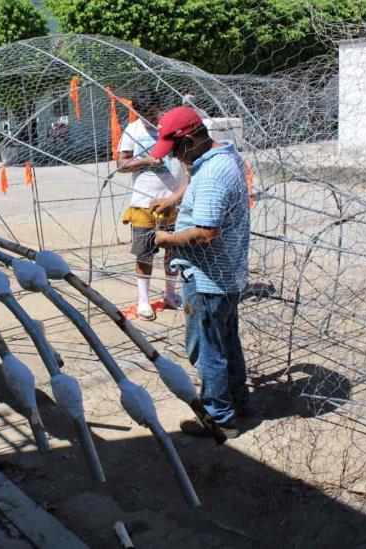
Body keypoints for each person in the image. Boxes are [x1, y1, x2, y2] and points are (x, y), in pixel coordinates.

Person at [149, 106, 252, 438]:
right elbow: (195, 180)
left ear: (191, 138)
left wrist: (164, 239)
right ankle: (239, 401)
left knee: (205, 347)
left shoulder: (212, 174)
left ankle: (219, 417)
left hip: (208, 278)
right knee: (226, 342)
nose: (175, 157)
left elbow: (206, 234)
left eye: (176, 149)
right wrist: (175, 200)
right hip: (228, 274)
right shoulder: (223, 154)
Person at [117, 89, 187, 321]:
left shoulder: (171, 126)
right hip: (144, 201)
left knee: (174, 250)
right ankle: (144, 301)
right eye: (144, 113)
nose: (150, 117)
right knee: (144, 252)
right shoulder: (133, 130)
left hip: (173, 198)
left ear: (160, 107)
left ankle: (170, 294)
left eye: (153, 112)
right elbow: (121, 163)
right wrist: (147, 161)